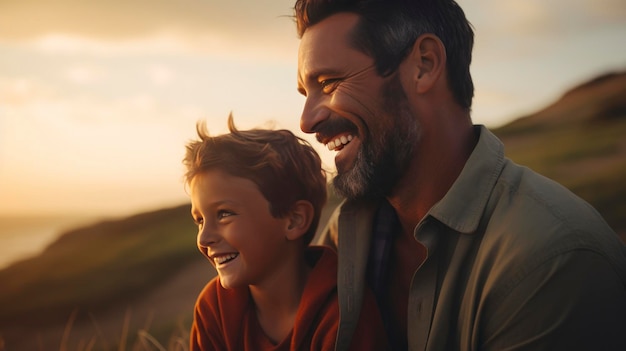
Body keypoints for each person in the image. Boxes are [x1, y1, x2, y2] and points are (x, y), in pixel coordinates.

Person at [293, 0, 626, 350]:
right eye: (305, 92)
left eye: (329, 83)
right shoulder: (345, 235)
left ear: (425, 64)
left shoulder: (553, 262)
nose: (306, 121)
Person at [183, 115, 389, 350]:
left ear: (294, 220)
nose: (204, 237)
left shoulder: (344, 316)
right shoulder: (214, 309)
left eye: (224, 214)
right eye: (200, 220)